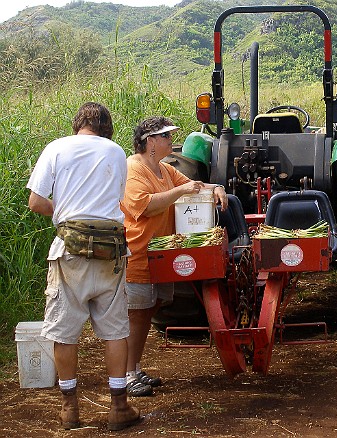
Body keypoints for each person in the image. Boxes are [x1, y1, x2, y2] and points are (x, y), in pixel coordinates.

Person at [26, 102, 140, 431]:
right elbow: (113, 200)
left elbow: (35, 201)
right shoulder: (117, 152)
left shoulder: (57, 148)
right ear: (107, 127)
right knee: (115, 331)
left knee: (65, 332)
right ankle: (119, 408)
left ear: (78, 123)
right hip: (111, 251)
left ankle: (69, 408)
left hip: (70, 253)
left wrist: (63, 211)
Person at [121, 116, 228, 397]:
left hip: (161, 254)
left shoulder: (164, 170)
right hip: (139, 253)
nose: (171, 140)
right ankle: (126, 374)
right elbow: (144, 207)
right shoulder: (133, 169)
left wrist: (216, 188)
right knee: (137, 314)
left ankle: (134, 367)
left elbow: (194, 185)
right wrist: (179, 191)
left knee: (151, 308)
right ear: (150, 142)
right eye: (166, 136)